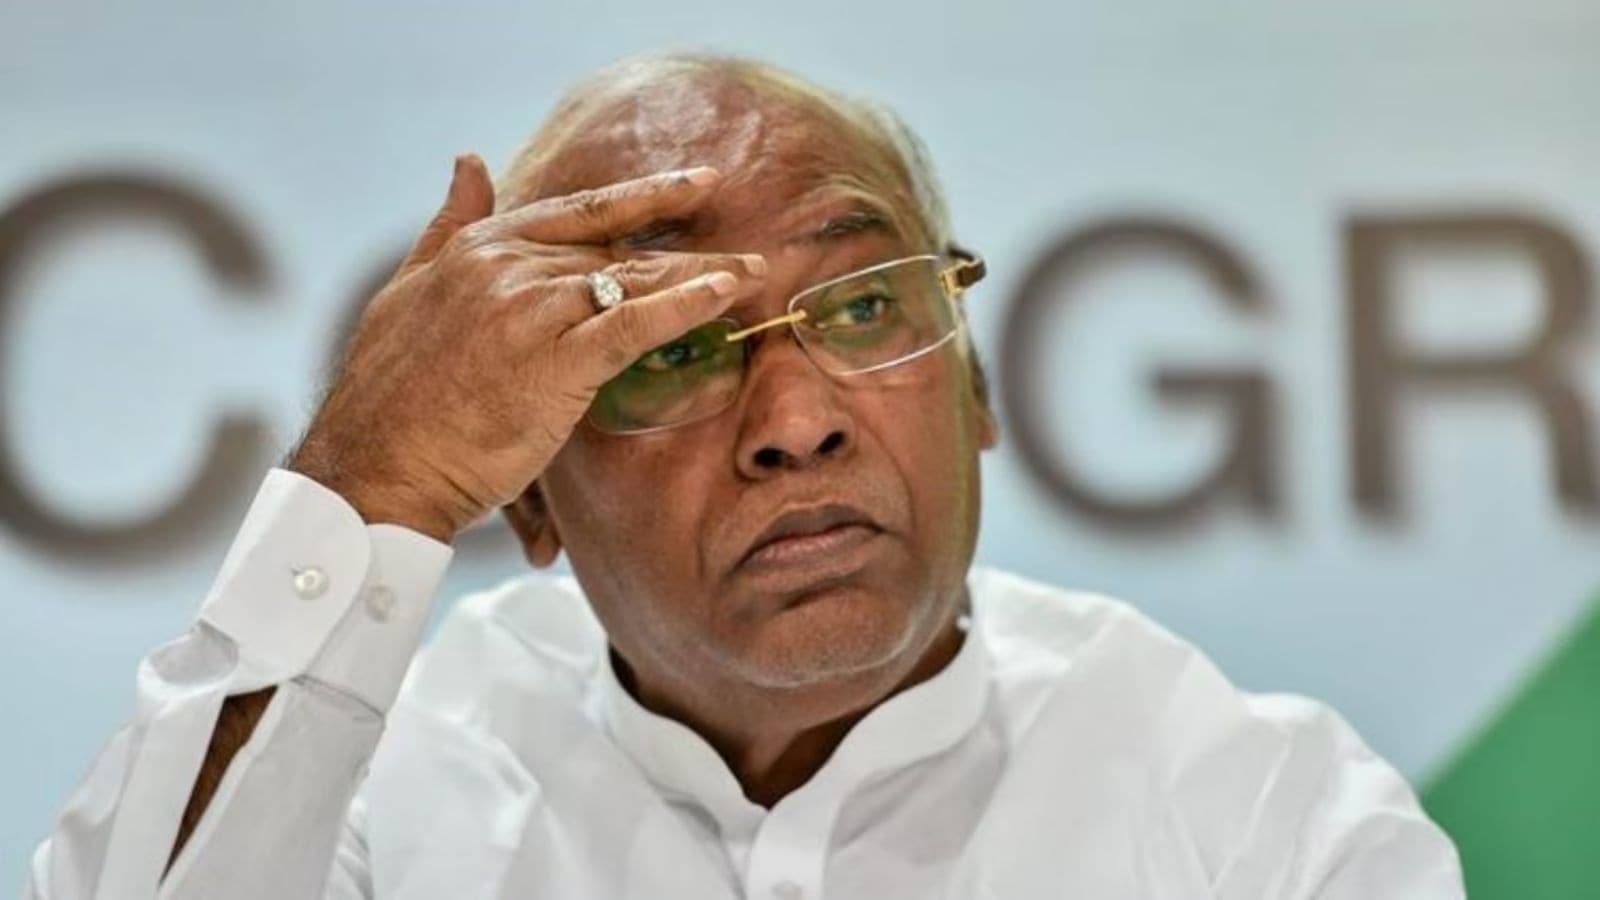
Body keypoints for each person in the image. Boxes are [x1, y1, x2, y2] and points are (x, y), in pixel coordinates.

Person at [25, 53, 1464, 899]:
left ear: (976, 389)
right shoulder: (383, 781)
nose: (795, 421)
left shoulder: (1258, 813)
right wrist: (372, 481)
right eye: (668, 350)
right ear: (529, 497)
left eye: (864, 306)